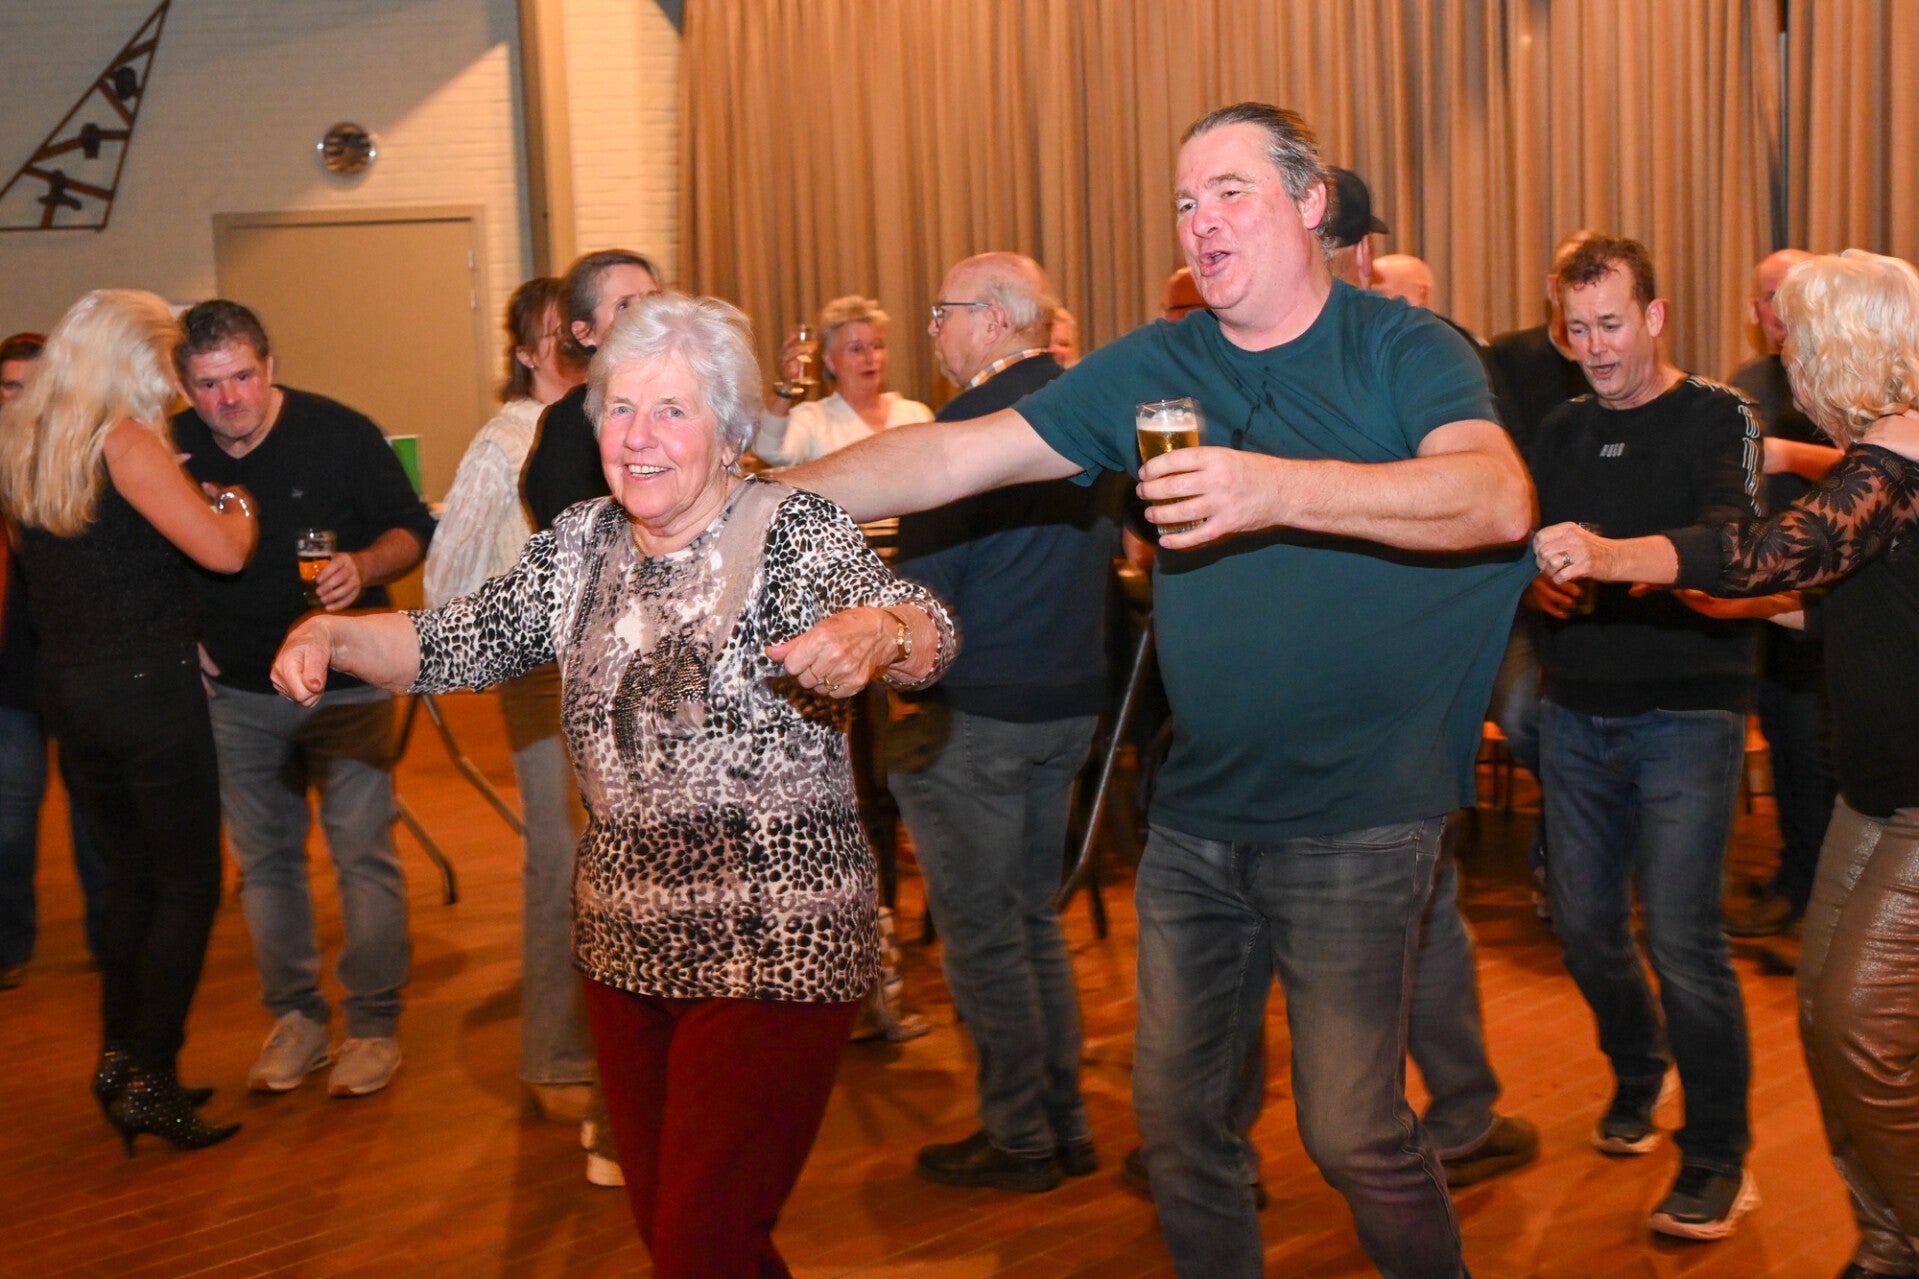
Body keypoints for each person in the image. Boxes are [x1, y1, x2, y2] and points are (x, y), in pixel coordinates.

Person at [785, 102, 1535, 1279]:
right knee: (1180, 1130)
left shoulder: (1404, 346)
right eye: (1185, 201)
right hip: (1196, 815)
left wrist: (1272, 488)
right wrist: (761, 497)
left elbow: (1493, 500)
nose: (1200, 220)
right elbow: (954, 453)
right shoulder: (1158, 361)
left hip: (1361, 812)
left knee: (1350, 1131)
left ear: (1308, 204)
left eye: (1229, 191)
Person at [269, 292, 956, 1278]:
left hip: (773, 936)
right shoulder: (580, 541)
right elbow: (455, 639)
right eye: (620, 409)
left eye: (671, 410)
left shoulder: (790, 530)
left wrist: (881, 633)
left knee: (700, 1243)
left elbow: (925, 625)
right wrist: (335, 633)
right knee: (676, 1227)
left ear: (729, 431)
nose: (637, 436)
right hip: (623, 940)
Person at [1534, 248, 1919, 1279]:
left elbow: (1755, 552)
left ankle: (1894, 1228)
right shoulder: (1878, 460)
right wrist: (1749, 604)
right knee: (1825, 1019)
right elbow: (1837, 607)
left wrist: (1608, 555)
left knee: (1854, 1025)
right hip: (1875, 792)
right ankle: (1886, 1239)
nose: (1785, 362)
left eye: (1796, 344)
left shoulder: (1893, 465)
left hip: (1906, 798)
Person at [1523, 235, 1764, 1241]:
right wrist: (1535, 587)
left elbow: (1734, 546)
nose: (1594, 348)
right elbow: (1529, 547)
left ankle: (1715, 1155)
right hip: (1574, 705)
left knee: (1680, 938)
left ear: (1655, 317)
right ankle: (1638, 1065)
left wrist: (1607, 556)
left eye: (1611, 324)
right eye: (1576, 329)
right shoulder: (1559, 428)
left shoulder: (1721, 415)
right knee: (1583, 927)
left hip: (1687, 709)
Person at [0, 289, 256, 1151]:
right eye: (166, 361)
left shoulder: (28, 443)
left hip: (71, 688)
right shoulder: (127, 443)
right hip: (148, 688)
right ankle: (150, 1071)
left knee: (131, 881)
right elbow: (222, 552)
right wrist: (236, 506)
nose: (176, 381)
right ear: (134, 360)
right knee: (188, 885)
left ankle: (121, 1056)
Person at [889, 252, 1117, 1193]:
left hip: (977, 715)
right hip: (1066, 706)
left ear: (989, 319)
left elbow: (919, 610)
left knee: (986, 939)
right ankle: (1064, 1123)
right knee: (1031, 922)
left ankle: (1019, 1134)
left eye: (941, 311)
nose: (932, 330)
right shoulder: (1088, 408)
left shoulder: (963, 432)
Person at [174, 300, 436, 1099]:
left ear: (270, 366)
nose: (228, 398)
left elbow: (411, 529)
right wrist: (184, 640)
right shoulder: (170, 448)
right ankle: (295, 1019)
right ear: (184, 386)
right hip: (237, 690)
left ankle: (373, 1025)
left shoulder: (339, 432)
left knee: (362, 854)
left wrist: (365, 564)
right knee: (265, 865)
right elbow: (144, 558)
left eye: (241, 376)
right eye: (208, 384)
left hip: (347, 686)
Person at [422, 277, 616, 1176]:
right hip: (542, 673)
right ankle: (555, 1056)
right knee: (562, 862)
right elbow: (445, 576)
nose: (576, 351)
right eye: (560, 339)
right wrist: (521, 611)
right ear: (530, 352)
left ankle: (602, 1047)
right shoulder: (506, 441)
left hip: (614, 667)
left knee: (608, 865)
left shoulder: (617, 421)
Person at [1724, 248, 1839, 945]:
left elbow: (1883, 470)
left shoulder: (1845, 374)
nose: (1782, 307)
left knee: (1815, 750)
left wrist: (1788, 454)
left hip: (1832, 593)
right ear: (1755, 310)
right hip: (1767, 593)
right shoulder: (1748, 379)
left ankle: (1814, 899)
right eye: (1771, 294)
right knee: (1790, 749)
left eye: (1796, 291)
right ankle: (1796, 883)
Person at [1, 330, 111, 986]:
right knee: (10, 814)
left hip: (78, 662)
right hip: (11, 668)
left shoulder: (89, 462)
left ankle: (109, 938)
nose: (19, 400)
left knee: (92, 808)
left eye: (31, 387)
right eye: (8, 387)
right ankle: (8, 947)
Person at [521, 249, 663, 530]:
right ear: (584, 332)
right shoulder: (572, 421)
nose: (646, 316)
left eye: (653, 300)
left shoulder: (688, 398)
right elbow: (566, 531)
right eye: (624, 306)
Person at [751, 294, 932, 469]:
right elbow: (769, 450)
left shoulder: (915, 414)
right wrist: (787, 386)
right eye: (856, 349)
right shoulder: (813, 419)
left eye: (876, 346)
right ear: (830, 361)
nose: (870, 358)